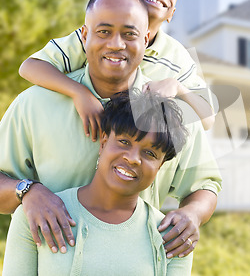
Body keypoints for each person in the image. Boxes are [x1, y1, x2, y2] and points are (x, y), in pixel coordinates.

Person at [0, 0, 221, 260]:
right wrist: (27, 191)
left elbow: (205, 185)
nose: (116, 44)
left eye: (129, 34)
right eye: (104, 31)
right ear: (84, 35)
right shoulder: (33, 104)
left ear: (147, 38)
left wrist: (192, 214)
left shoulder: (173, 116)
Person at [3, 91, 193, 275]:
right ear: (103, 143)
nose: (133, 158)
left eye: (150, 153)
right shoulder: (37, 215)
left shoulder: (173, 237)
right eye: (124, 142)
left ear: (159, 167)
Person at [19, 0, 216, 136]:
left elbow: (208, 119)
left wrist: (177, 87)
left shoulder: (177, 57)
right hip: (79, 133)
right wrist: (79, 93)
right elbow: (30, 67)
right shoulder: (97, 37)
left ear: (172, 13)